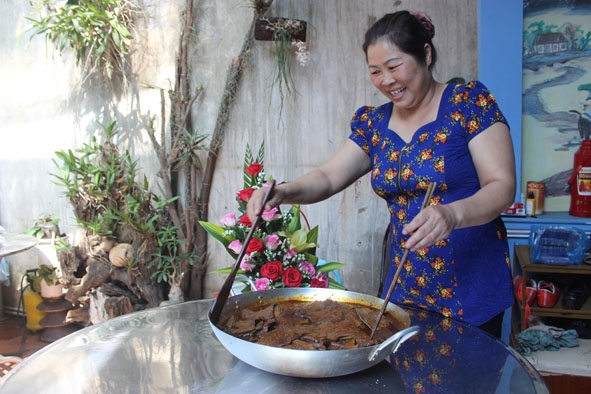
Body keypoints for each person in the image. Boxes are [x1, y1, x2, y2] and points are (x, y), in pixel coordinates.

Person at [247, 10, 516, 339]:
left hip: (471, 287)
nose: (386, 80)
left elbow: (501, 186)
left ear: (426, 54)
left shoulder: (468, 104)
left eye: (394, 66)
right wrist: (282, 193)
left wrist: (452, 214)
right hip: (405, 286)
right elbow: (329, 177)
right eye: (375, 71)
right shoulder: (374, 124)